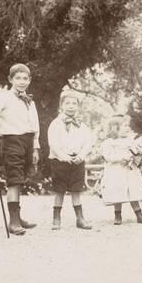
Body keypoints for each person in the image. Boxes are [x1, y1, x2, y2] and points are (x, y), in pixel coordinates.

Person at [0, 63, 40, 235]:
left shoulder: (30, 100)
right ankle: (13, 222)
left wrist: (35, 148)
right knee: (14, 180)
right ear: (10, 79)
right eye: (18, 78)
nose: (22, 81)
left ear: (30, 80)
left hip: (27, 141)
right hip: (12, 141)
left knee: (21, 178)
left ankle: (18, 217)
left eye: (25, 78)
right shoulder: (3, 97)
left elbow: (35, 126)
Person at [47, 90, 94, 230]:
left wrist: (81, 155)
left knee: (76, 190)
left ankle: (80, 219)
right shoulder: (55, 124)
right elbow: (53, 143)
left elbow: (88, 143)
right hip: (60, 161)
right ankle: (56, 219)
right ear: (62, 106)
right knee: (59, 190)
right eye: (67, 103)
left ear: (78, 107)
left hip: (77, 161)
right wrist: (64, 157)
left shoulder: (82, 125)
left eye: (74, 103)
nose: (71, 106)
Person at [100, 115, 142, 225]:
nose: (127, 128)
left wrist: (137, 154)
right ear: (115, 128)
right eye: (124, 126)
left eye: (127, 126)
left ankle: (139, 214)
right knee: (118, 191)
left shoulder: (130, 141)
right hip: (116, 170)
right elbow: (108, 156)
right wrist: (120, 158)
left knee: (132, 190)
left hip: (129, 170)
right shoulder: (108, 143)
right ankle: (117, 215)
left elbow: (136, 153)